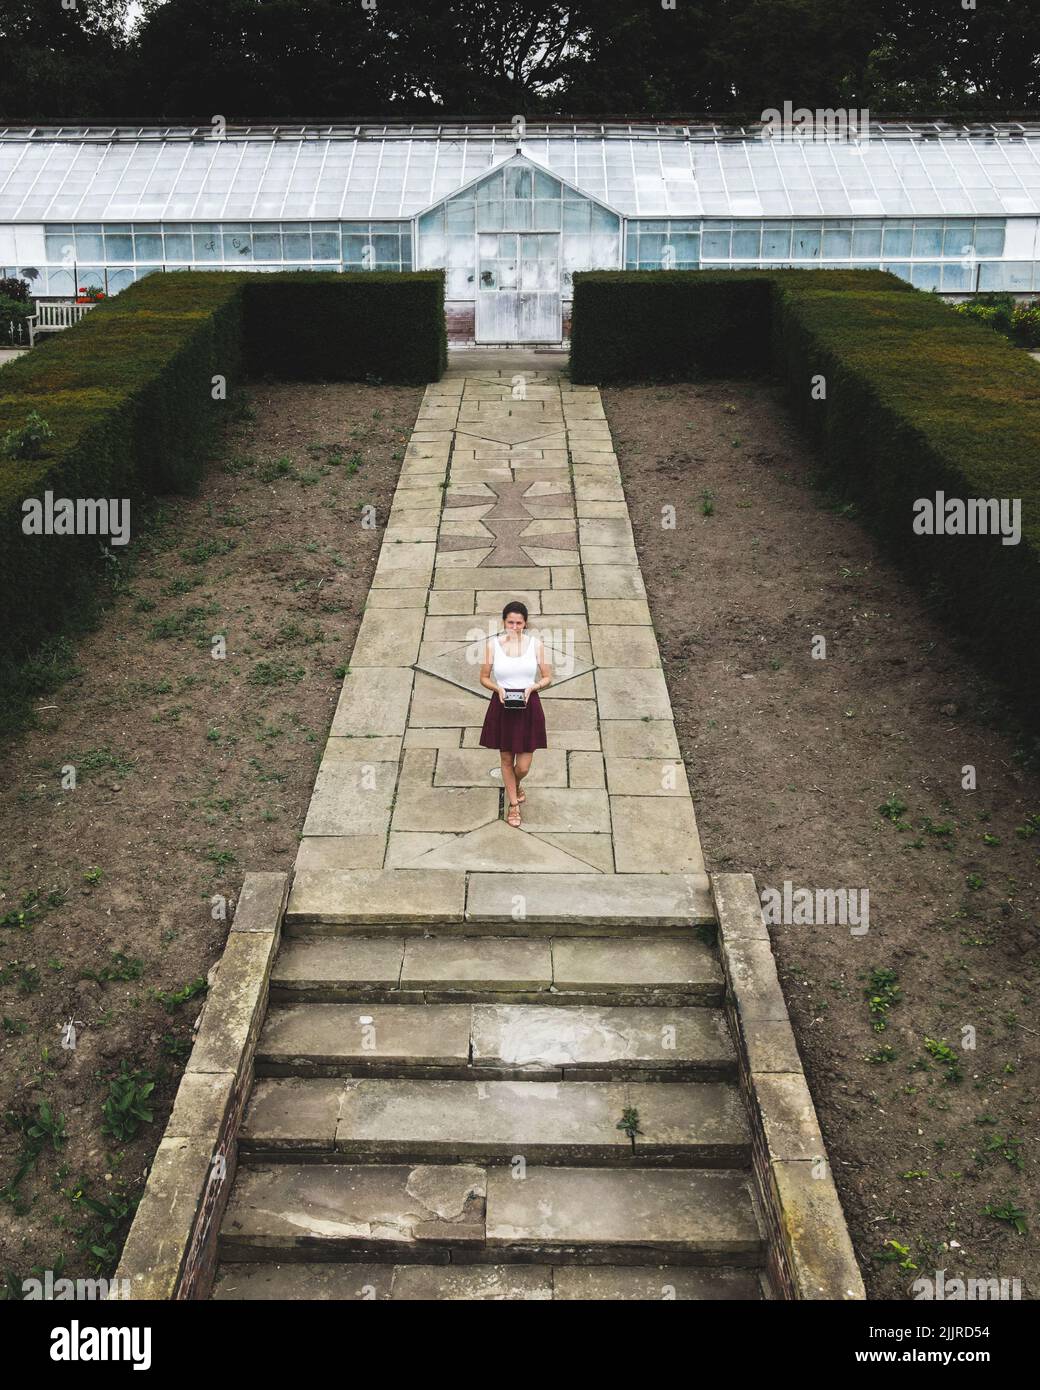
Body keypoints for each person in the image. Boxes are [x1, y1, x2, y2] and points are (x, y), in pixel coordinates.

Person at [478, 601, 552, 828]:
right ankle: (513, 805)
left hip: (529, 704)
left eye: (519, 622)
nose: (515, 626)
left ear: (525, 623)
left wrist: (534, 687)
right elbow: (484, 677)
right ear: (504, 622)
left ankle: (515, 784)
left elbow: (548, 676)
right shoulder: (493, 645)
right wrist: (497, 688)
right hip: (502, 705)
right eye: (510, 622)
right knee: (506, 759)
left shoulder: (535, 645)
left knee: (523, 766)